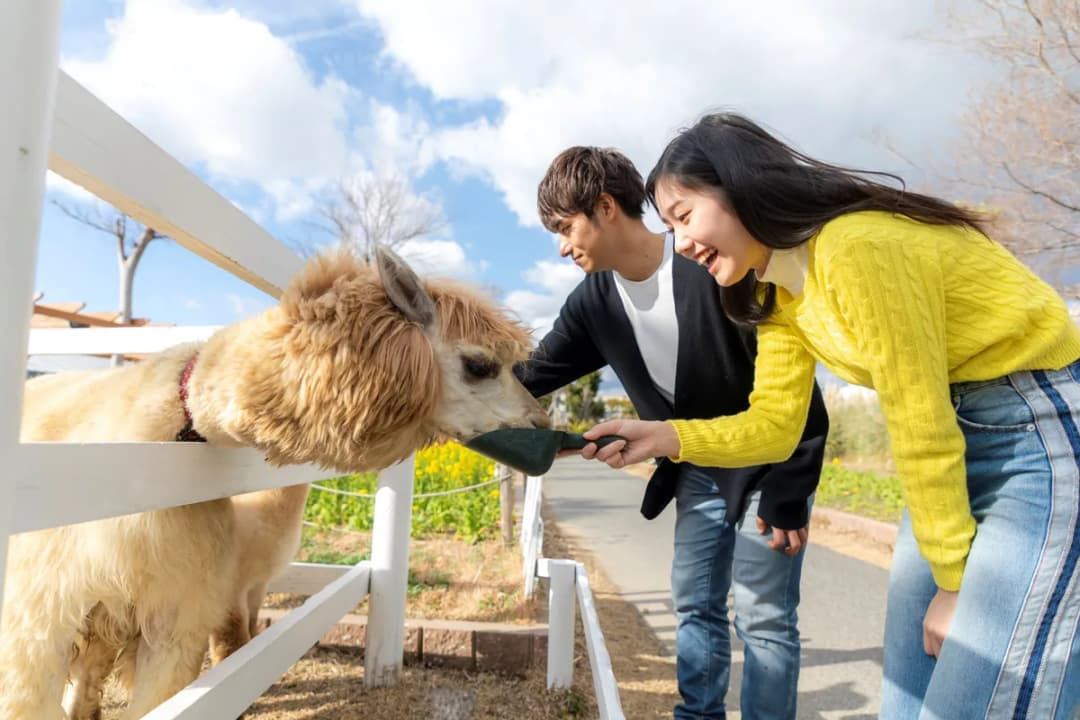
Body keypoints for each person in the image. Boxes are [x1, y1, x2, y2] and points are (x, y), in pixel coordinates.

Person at [582, 113, 1080, 720]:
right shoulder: (778, 294)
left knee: (977, 698)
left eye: (684, 216)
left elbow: (916, 414)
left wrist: (953, 583)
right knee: (906, 694)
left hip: (1040, 429)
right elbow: (773, 424)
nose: (680, 243)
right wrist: (664, 435)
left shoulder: (855, 247)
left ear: (740, 187)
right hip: (962, 438)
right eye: (670, 226)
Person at [516, 146, 829, 720]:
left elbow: (798, 389)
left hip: (770, 465)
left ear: (605, 207)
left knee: (763, 618)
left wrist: (791, 490)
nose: (562, 246)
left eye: (565, 228)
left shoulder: (711, 260)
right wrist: (445, 405)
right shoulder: (593, 302)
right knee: (695, 604)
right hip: (695, 470)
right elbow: (531, 376)